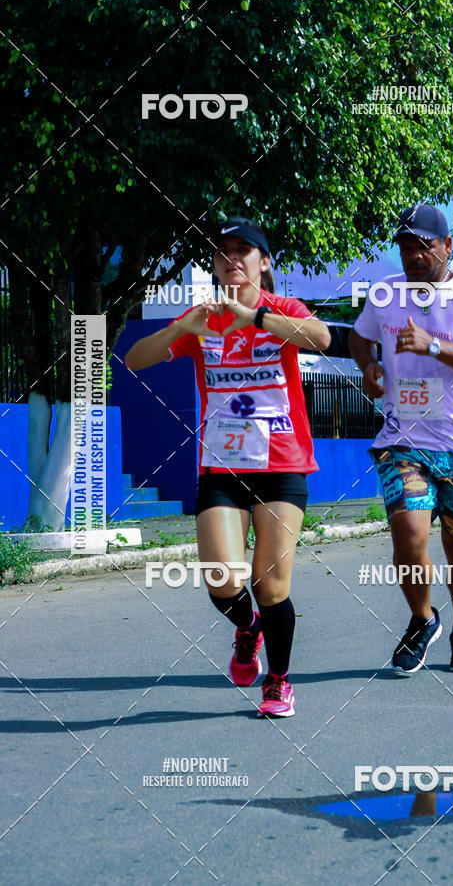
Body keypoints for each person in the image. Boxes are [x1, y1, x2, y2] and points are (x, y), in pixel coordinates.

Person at [125, 217, 330, 716]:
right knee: (222, 578)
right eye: (223, 252)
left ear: (264, 262)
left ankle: (279, 680)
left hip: (282, 465)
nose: (232, 259)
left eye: (245, 250)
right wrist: (182, 327)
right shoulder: (202, 318)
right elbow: (134, 359)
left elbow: (321, 338)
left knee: (270, 583)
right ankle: (248, 629)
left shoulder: (282, 310)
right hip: (222, 468)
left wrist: (254, 319)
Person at [349, 204, 453, 675]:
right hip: (403, 440)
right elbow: (358, 338)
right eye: (405, 246)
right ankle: (422, 618)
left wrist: (432, 345)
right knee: (409, 534)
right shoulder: (385, 294)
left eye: (423, 245)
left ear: (447, 246)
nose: (413, 255)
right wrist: (368, 366)